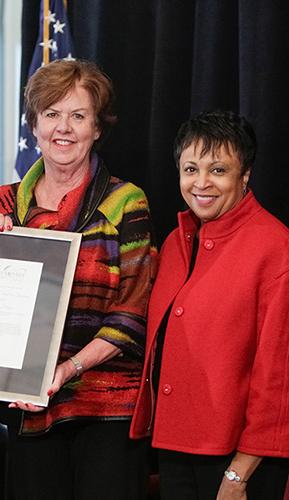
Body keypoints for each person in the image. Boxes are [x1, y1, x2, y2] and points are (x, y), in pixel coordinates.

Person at [0, 59, 157, 500]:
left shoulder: (125, 201)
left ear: (97, 128)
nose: (64, 127)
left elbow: (133, 313)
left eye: (78, 115)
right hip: (29, 406)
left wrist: (66, 370)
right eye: (52, 114)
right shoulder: (5, 204)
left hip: (107, 409)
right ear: (34, 125)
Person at [130, 109, 289, 500]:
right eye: (190, 169)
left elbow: (278, 377)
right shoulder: (174, 243)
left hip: (240, 463)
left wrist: (239, 473)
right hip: (175, 451)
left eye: (218, 170)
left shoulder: (275, 246)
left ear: (245, 174)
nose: (201, 183)